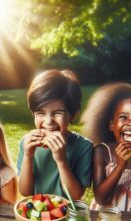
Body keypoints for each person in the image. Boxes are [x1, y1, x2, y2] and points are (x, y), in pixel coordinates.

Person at [17, 69, 93, 200]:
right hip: (37, 214)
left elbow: (76, 196)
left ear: (73, 115)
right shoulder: (26, 143)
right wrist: (28, 156)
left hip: (67, 214)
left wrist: (62, 160)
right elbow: (25, 191)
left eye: (58, 113)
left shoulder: (84, 147)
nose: (48, 121)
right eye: (40, 113)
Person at [81, 82, 131, 211]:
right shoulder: (102, 151)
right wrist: (120, 165)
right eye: (123, 117)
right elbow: (100, 198)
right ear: (111, 125)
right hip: (106, 220)